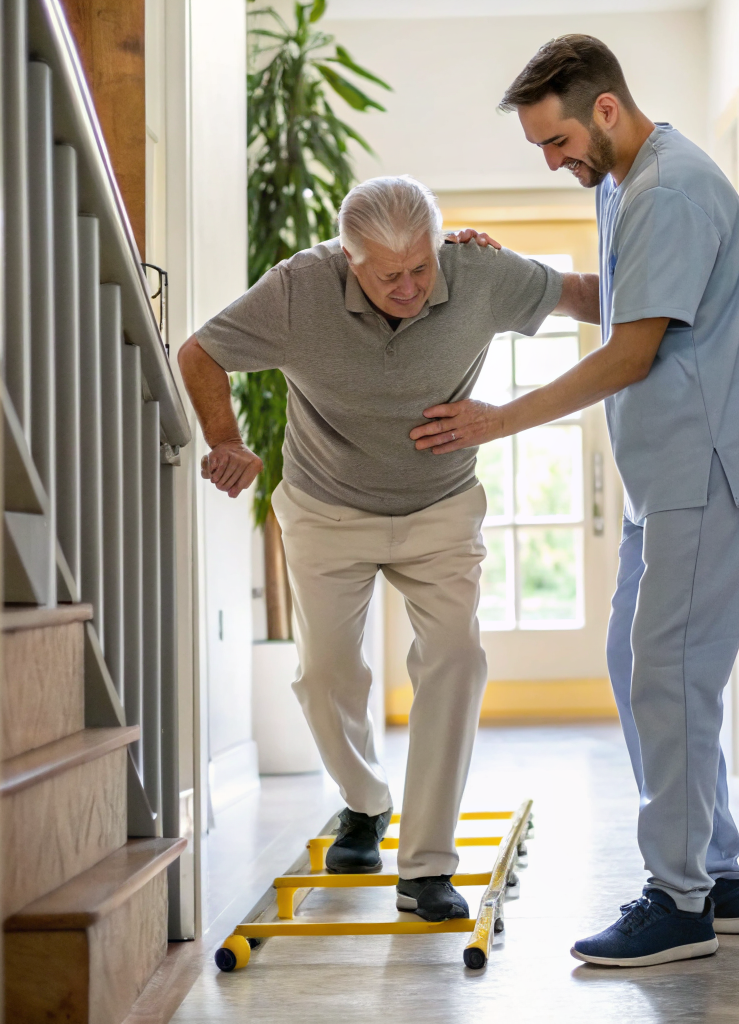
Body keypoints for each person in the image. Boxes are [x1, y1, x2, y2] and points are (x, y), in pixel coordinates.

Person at [409, 36, 739, 965]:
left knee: (668, 674)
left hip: (703, 470)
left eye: (556, 140)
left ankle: (679, 903)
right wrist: (505, 267)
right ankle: (720, 875)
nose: (553, 161)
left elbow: (631, 354)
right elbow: (612, 302)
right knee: (640, 669)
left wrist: (495, 420)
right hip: (660, 476)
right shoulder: (622, 184)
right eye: (542, 148)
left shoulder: (667, 189)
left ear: (607, 109)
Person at [178, 175, 599, 922]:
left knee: (455, 662)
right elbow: (199, 352)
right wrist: (225, 441)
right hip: (326, 509)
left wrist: (683, 288)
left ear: (440, 243)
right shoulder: (297, 289)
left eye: (421, 268)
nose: (408, 288)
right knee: (327, 675)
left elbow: (588, 296)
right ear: (347, 258)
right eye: (387, 276)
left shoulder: (478, 273)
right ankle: (365, 804)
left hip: (439, 509)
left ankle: (427, 864)